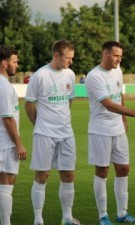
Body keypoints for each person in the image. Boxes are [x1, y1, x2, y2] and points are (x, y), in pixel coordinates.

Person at [85, 41, 135, 225]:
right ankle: (103, 216)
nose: (119, 59)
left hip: (118, 129)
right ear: (105, 53)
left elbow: (119, 93)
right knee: (102, 171)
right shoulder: (94, 76)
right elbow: (108, 104)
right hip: (100, 130)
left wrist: (123, 119)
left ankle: (122, 214)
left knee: (124, 168)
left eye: (120, 56)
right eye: (116, 55)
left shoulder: (118, 70)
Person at [25, 39, 80, 225]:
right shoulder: (40, 76)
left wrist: (61, 119)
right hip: (44, 133)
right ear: (56, 55)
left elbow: (69, 101)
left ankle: (67, 217)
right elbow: (29, 104)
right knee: (42, 175)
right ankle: (38, 219)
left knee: (68, 174)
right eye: (68, 58)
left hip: (66, 132)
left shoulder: (70, 75)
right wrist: (39, 124)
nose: (70, 62)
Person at [0, 46, 27, 225]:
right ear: (4, 63)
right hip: (5, 142)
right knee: (7, 183)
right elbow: (8, 119)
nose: (17, 65)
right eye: (15, 61)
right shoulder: (3, 86)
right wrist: (19, 144)